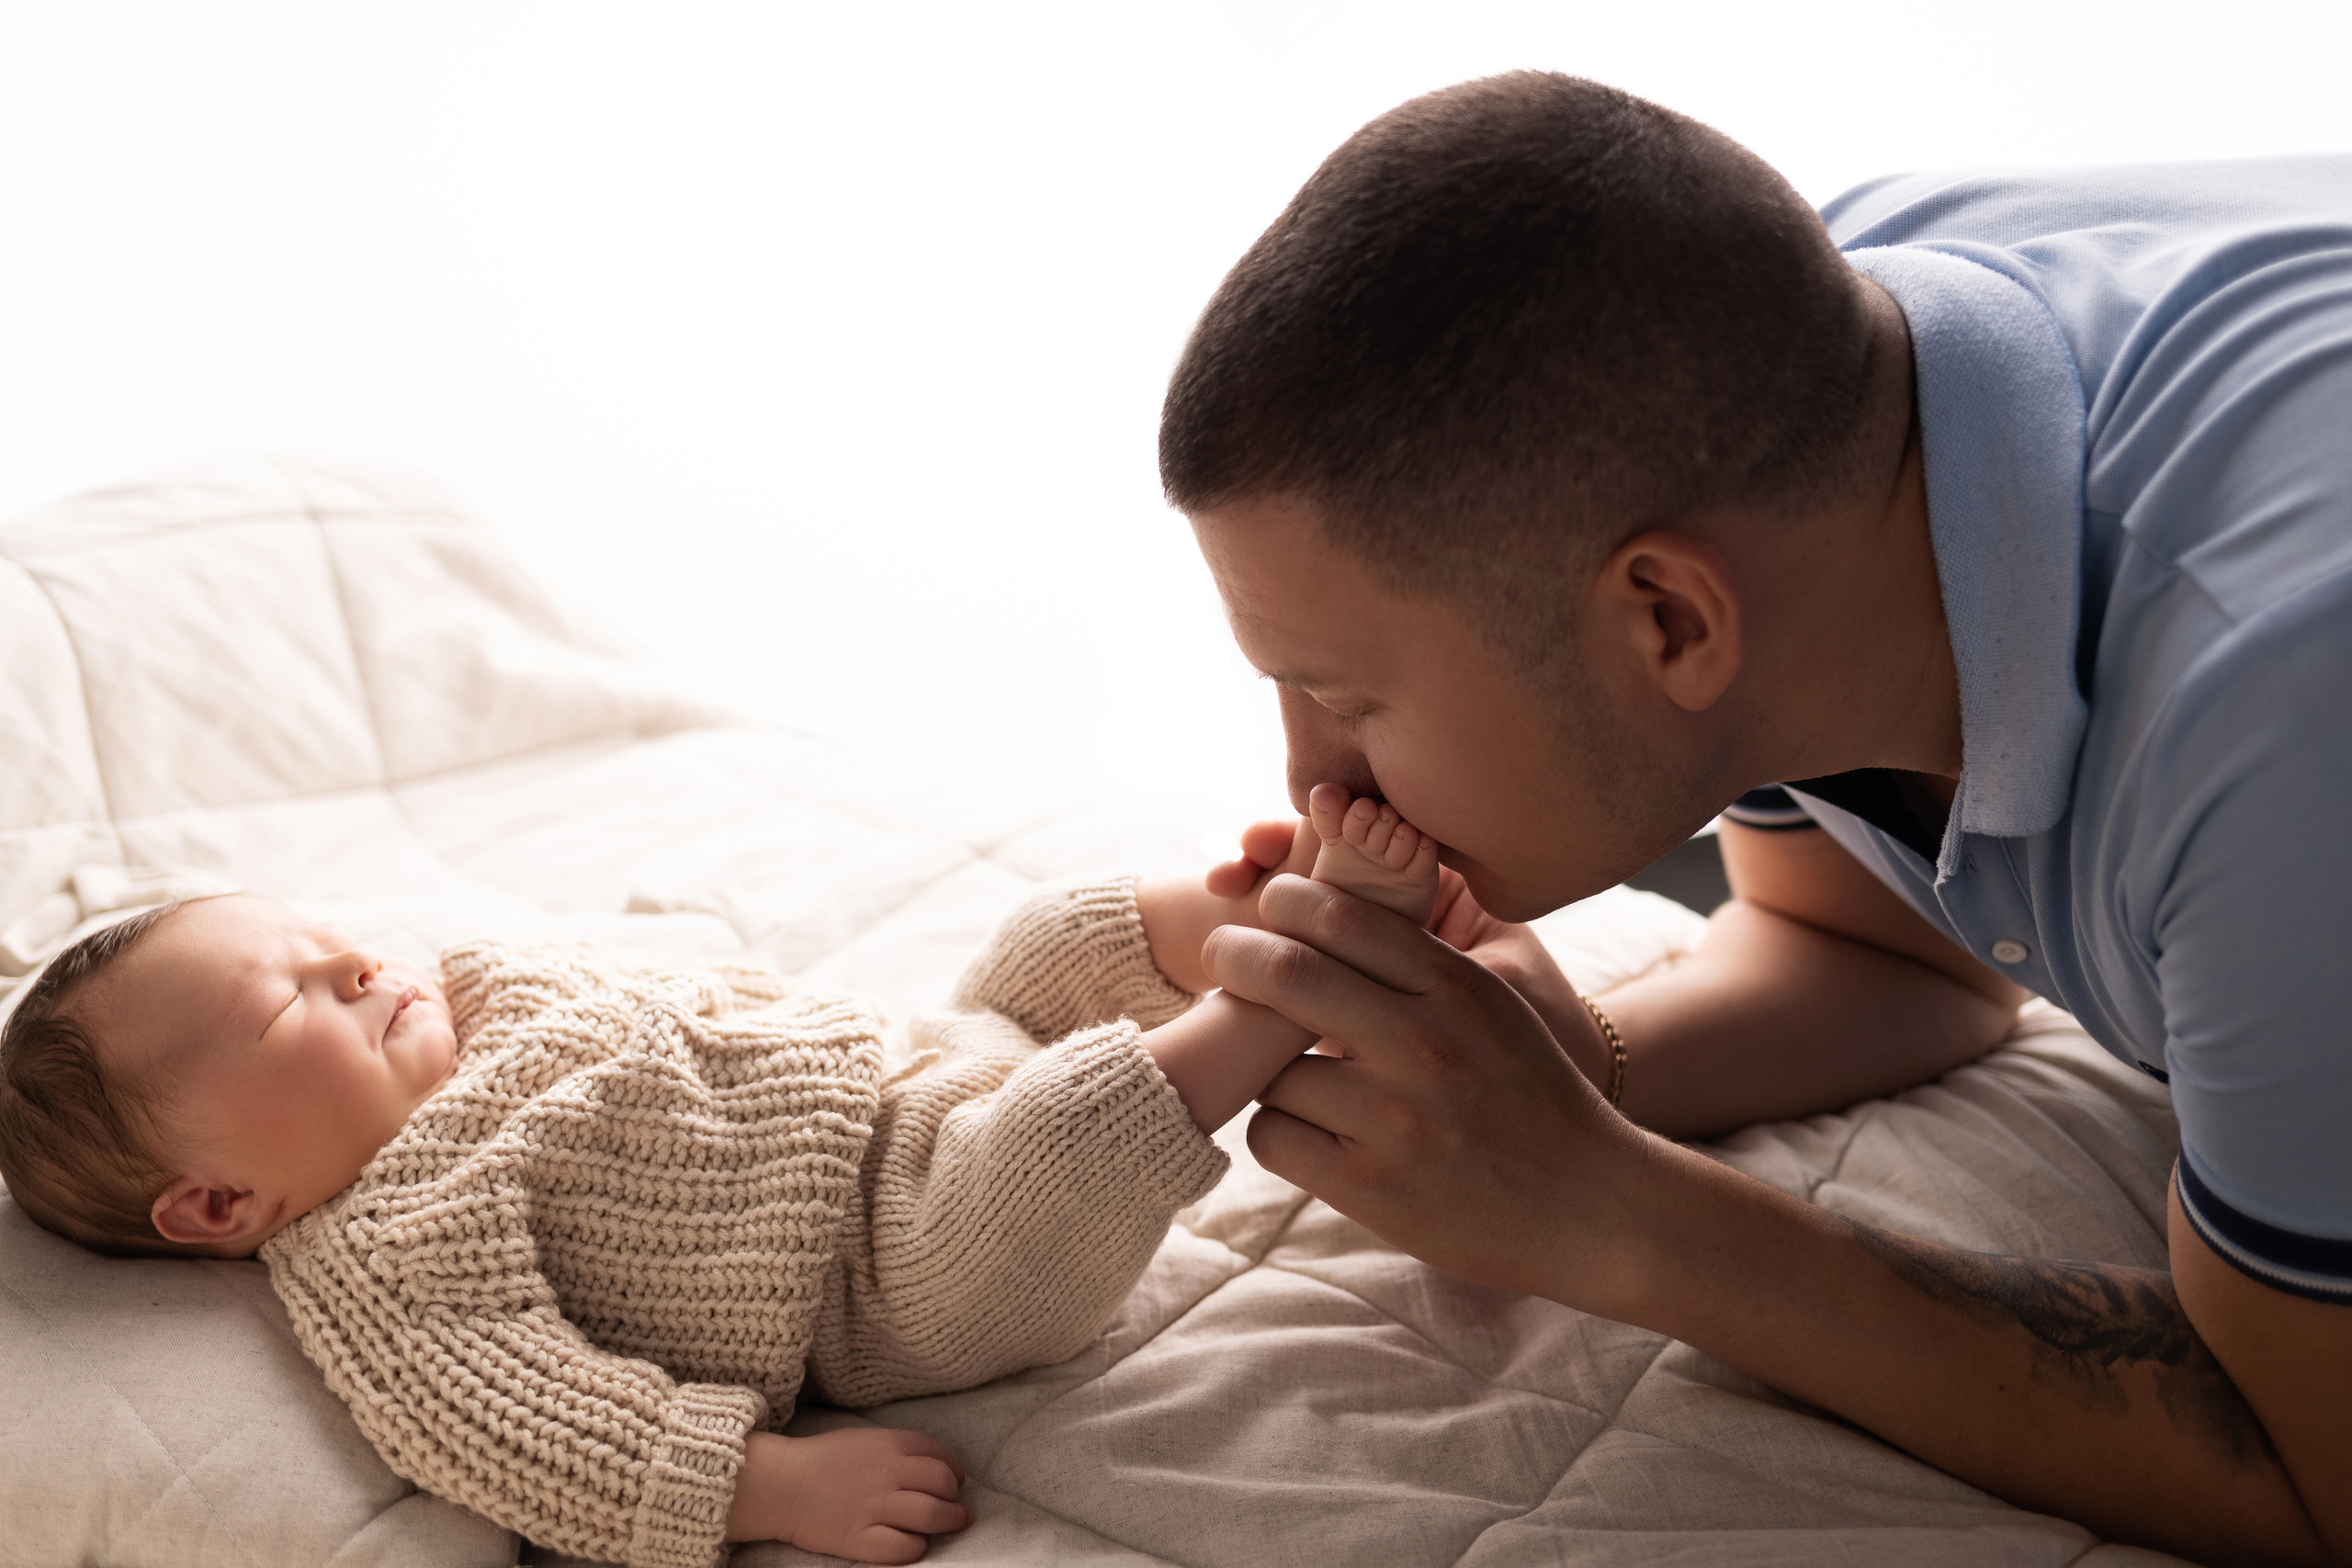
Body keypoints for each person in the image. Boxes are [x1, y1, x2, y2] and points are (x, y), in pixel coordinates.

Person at [1160, 71, 2352, 1564]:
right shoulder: (1803, 392)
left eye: (1345, 696)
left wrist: (1613, 1216)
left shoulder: (2285, 736)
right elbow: (1895, 964)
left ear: (1667, 620)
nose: (1312, 783)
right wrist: (1578, 1067)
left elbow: (2322, 1474)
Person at [0, 786, 1436, 1568]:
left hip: (906, 1065)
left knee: (1050, 938)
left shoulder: (477, 992)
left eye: (330, 939)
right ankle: (1287, 986)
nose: (359, 963)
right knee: (1060, 1145)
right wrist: (769, 1490)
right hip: (883, 1264)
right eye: (293, 1003)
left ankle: (1266, 898)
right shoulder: (385, 1249)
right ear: (218, 1203)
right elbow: (531, 1432)